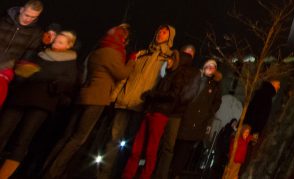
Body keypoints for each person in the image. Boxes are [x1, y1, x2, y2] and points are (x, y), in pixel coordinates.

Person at [43, 24, 133, 179]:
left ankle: (47, 168)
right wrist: (132, 62)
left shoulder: (97, 51)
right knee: (79, 138)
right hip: (97, 98)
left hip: (84, 95)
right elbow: (121, 73)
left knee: (68, 135)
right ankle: (55, 172)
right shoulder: (111, 53)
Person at [102, 25, 178, 178]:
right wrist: (113, 97)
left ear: (170, 38)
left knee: (132, 146)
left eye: (164, 32)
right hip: (124, 101)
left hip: (142, 106)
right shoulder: (141, 54)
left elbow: (165, 84)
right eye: (159, 30)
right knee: (113, 140)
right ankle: (104, 174)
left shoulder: (167, 60)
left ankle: (121, 173)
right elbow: (125, 77)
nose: (160, 33)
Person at [0, 31, 79, 179]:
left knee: (23, 139)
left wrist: (50, 80)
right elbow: (23, 68)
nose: (56, 44)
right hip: (21, 97)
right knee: (2, 130)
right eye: (56, 40)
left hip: (42, 103)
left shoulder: (70, 62)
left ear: (69, 46)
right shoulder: (41, 53)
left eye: (61, 42)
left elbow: (68, 83)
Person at [152, 45, 200, 179]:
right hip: (161, 108)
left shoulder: (194, 72)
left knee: (168, 146)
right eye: (186, 52)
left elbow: (190, 92)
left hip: (175, 113)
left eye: (191, 53)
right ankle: (150, 169)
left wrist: (176, 103)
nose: (187, 55)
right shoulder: (171, 64)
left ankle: (161, 174)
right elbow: (161, 79)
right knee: (156, 143)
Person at [170, 59, 222, 176]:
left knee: (184, 152)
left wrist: (208, 113)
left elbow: (217, 102)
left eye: (213, 67)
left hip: (197, 123)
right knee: (172, 148)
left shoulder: (215, 86)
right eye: (208, 65)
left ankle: (174, 174)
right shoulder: (195, 78)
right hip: (183, 118)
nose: (210, 68)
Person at [0, 0, 44, 109]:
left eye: (33, 17)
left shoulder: (36, 33)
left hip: (6, 68)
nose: (28, 19)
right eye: (27, 15)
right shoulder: (3, 21)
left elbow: (29, 56)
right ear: (21, 10)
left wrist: (18, 76)